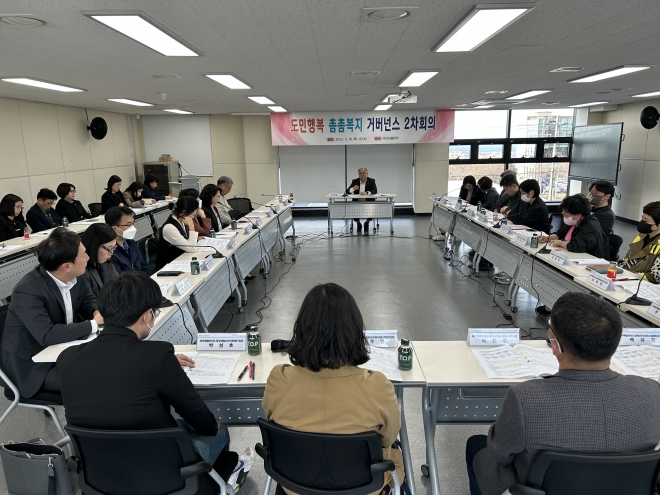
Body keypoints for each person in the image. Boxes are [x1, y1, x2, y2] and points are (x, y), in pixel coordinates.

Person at [465, 292, 660, 495]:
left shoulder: (525, 397)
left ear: (555, 347)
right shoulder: (652, 393)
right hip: (623, 488)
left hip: (540, 488)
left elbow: (501, 454)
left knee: (477, 445)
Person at [57, 272, 234, 490]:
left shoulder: (67, 359)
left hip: (101, 475)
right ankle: (215, 484)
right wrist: (212, 425)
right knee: (218, 431)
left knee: (180, 427)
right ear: (146, 315)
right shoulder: (157, 355)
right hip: (162, 474)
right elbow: (197, 415)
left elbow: (108, 383)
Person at [263, 283, 404, 495]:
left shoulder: (279, 380)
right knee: (398, 455)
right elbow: (388, 438)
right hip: (363, 487)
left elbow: (273, 419)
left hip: (296, 485)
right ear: (354, 330)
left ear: (301, 329)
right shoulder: (377, 387)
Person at [0, 228, 102, 397]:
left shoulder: (78, 275)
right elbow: (46, 335)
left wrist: (98, 311)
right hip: (31, 363)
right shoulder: (28, 290)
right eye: (84, 254)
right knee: (92, 381)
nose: (88, 258)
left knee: (109, 365)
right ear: (66, 266)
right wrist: (93, 324)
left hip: (62, 347)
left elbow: (88, 302)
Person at [539, 194, 609, 259]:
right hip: (573, 255)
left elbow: (576, 246)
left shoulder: (590, 226)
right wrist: (546, 238)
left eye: (566, 215)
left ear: (578, 214)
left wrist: (560, 243)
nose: (564, 217)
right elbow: (559, 234)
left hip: (591, 259)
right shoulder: (574, 221)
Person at [105, 206, 153, 276]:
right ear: (114, 228)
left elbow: (144, 266)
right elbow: (120, 279)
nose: (133, 228)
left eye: (133, 223)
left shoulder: (131, 242)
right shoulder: (110, 251)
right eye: (129, 224)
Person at [620, 201, 660, 283]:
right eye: (642, 218)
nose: (642, 222)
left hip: (642, 286)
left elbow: (655, 277)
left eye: (647, 220)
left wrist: (630, 277)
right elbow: (625, 261)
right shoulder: (640, 237)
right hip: (625, 279)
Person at [156, 196, 199, 270]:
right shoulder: (169, 228)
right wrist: (191, 226)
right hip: (168, 268)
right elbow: (192, 248)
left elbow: (186, 241)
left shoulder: (181, 221)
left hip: (181, 261)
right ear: (183, 213)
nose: (193, 218)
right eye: (193, 215)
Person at [80, 223, 119, 297]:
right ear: (94, 246)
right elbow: (90, 303)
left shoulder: (108, 263)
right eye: (109, 248)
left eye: (113, 248)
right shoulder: (82, 271)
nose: (111, 253)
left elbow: (118, 288)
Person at [345, 167, 378, 234]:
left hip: (368, 201)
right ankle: (358, 223)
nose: (362, 175)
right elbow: (347, 191)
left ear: (367, 174)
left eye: (364, 173)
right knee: (355, 208)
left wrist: (367, 193)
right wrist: (353, 189)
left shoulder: (371, 181)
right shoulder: (355, 181)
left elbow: (375, 190)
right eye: (360, 173)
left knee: (370, 208)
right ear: (358, 174)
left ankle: (367, 223)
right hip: (357, 201)